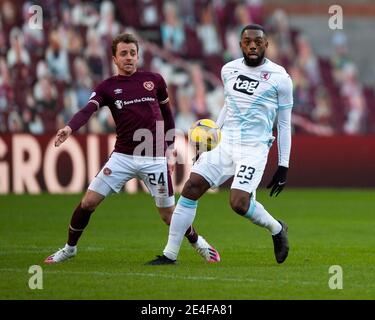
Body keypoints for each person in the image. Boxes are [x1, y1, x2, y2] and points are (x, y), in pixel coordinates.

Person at [44, 33, 220, 264]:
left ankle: (200, 244)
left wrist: (168, 146)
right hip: (122, 157)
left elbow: (167, 116)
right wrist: (69, 128)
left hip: (154, 158)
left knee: (169, 215)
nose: (129, 58)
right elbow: (88, 109)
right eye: (123, 54)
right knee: (88, 203)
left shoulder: (154, 80)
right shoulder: (107, 87)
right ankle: (69, 249)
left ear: (138, 56)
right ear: (114, 59)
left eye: (133, 53)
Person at [148, 24, 293, 265]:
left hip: (254, 147)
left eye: (258, 41)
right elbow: (229, 104)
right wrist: (211, 138)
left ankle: (277, 229)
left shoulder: (281, 78)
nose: (253, 45)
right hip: (226, 142)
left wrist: (283, 164)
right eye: (247, 41)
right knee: (191, 187)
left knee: (238, 203)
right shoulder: (229, 70)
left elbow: (285, 124)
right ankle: (169, 254)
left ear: (266, 45)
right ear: (240, 45)